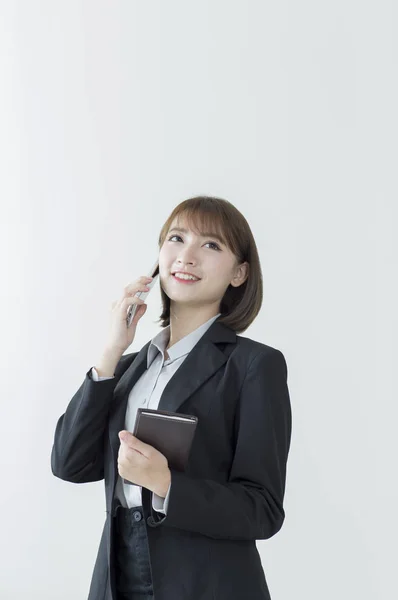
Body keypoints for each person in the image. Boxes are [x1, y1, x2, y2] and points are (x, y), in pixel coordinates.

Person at [51, 195, 292, 600]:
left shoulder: (253, 365)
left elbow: (263, 509)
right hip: (118, 572)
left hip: (205, 580)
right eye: (176, 239)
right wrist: (110, 352)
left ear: (239, 273)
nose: (187, 256)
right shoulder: (128, 369)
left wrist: (165, 484)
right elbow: (70, 463)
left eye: (211, 245)